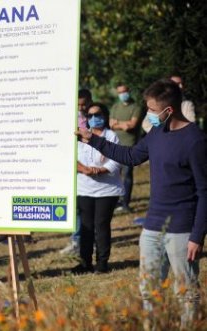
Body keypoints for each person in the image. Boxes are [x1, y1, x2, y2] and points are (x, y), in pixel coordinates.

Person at [76, 79, 206, 327]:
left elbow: (204, 191)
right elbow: (131, 156)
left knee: (186, 293)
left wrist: (197, 235)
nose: (148, 115)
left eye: (152, 110)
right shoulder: (156, 132)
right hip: (152, 226)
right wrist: (92, 139)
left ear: (168, 111)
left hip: (182, 230)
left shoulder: (195, 141)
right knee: (149, 291)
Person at [72, 103, 123, 274]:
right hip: (84, 189)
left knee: (101, 226)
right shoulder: (80, 137)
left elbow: (116, 160)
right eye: (90, 115)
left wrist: (99, 170)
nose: (94, 118)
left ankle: (102, 263)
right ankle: (84, 263)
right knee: (86, 227)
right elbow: (71, 157)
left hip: (107, 190)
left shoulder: (111, 136)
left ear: (105, 115)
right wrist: (84, 169)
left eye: (98, 114)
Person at [60, 89, 93, 256]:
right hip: (75, 163)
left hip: (91, 164)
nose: (82, 107)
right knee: (76, 206)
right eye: (79, 104)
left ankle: (85, 240)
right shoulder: (70, 117)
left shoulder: (95, 116)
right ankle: (76, 240)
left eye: (84, 103)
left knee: (87, 206)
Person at [109, 84, 141, 214]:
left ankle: (125, 203)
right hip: (116, 145)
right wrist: (124, 124)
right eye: (120, 92)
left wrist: (119, 123)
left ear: (129, 91)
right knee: (115, 174)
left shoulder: (136, 107)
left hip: (130, 146)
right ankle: (115, 202)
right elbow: (111, 125)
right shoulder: (115, 107)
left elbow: (132, 126)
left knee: (127, 174)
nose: (122, 94)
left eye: (124, 91)